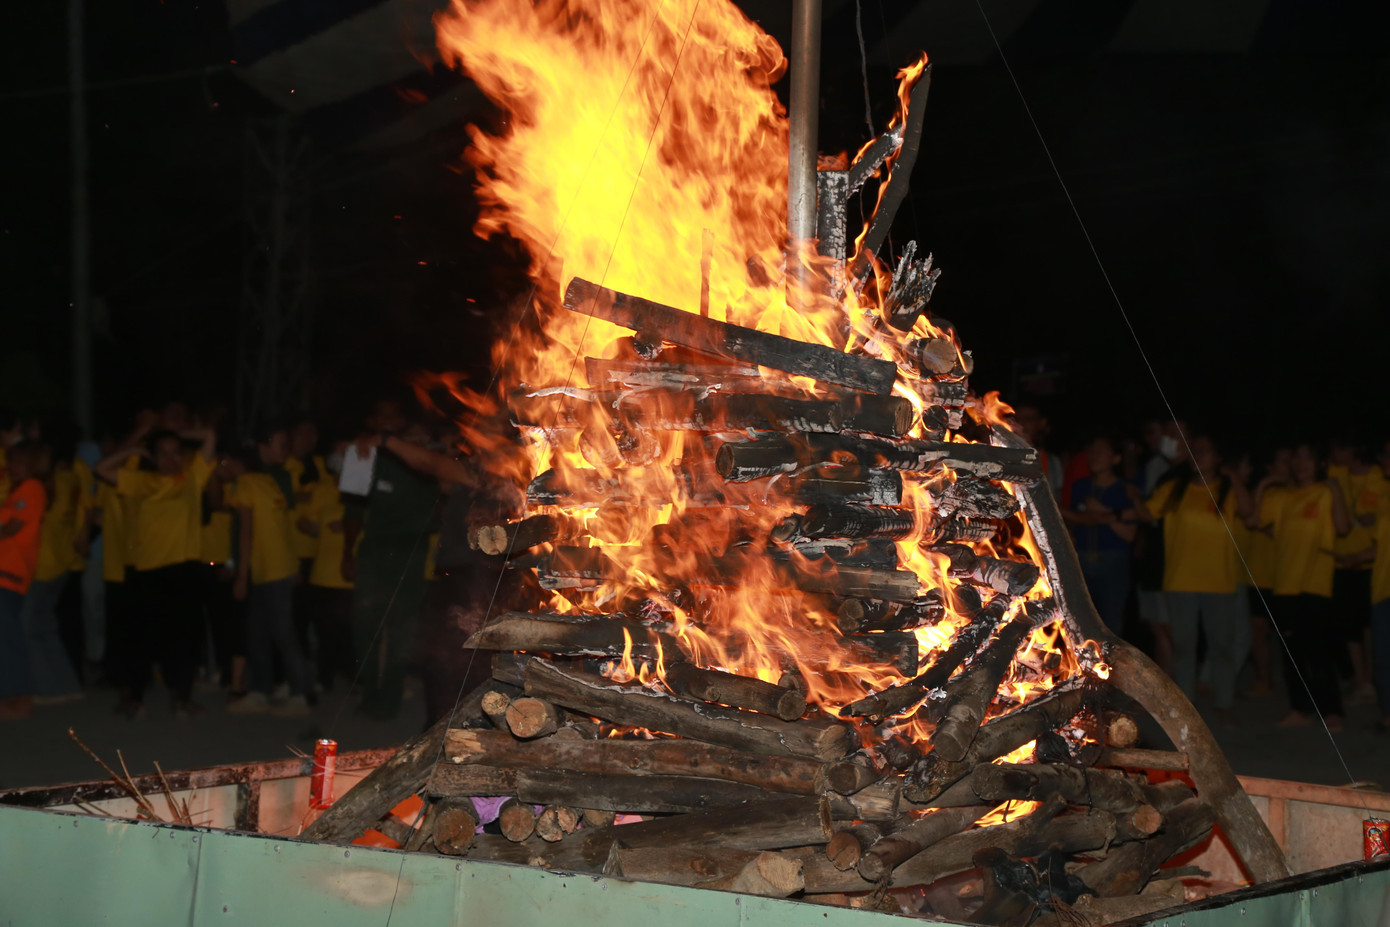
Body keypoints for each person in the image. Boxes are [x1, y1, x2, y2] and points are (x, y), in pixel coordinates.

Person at [95, 423, 217, 718]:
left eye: (176, 454)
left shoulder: (191, 478)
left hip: (183, 569)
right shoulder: (141, 481)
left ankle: (181, 699)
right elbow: (100, 469)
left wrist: (175, 431)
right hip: (147, 572)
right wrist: (134, 449)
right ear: (153, 458)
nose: (171, 460)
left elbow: (209, 435)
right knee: (142, 641)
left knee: (185, 641)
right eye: (163, 454)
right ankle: (136, 699)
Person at [342, 402, 440, 721]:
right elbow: (354, 507)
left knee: (402, 630)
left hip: (410, 551)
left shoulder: (428, 462)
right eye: (381, 416)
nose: (386, 422)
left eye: (393, 416)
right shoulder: (373, 457)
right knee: (364, 624)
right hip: (374, 550)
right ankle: (369, 694)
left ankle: (389, 700)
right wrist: (348, 551)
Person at [1141, 435, 1251, 716]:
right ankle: (1188, 709)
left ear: (1218, 458)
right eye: (1193, 452)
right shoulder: (1174, 489)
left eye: (1204, 451)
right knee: (1184, 647)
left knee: (1221, 647)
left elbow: (1251, 514)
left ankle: (1224, 704)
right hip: (1180, 581)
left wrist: (1235, 477)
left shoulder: (1226, 489)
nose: (1197, 455)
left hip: (1220, 582)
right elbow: (1146, 512)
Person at [226, 426, 313, 716]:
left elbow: (245, 531)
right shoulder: (270, 480)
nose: (285, 450)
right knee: (258, 632)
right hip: (274, 567)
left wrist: (240, 575)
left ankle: (300, 696)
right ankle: (259, 693)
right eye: (280, 444)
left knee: (280, 631)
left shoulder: (251, 482)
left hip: (272, 568)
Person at [1264, 444, 1351, 730]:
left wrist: (1337, 491)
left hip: (1315, 582)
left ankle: (1332, 711)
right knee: (1292, 650)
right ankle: (1300, 708)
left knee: (1318, 649)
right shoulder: (1283, 497)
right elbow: (1254, 520)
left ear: (1318, 462)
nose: (1300, 463)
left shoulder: (1326, 491)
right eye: (1296, 458)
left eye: (1306, 457)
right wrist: (1264, 484)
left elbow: (1342, 527)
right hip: (1285, 584)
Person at [23, 437, 84, 703]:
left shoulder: (40, 486)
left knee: (29, 628)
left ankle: (47, 689)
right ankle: (69, 685)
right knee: (46, 627)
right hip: (61, 563)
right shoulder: (70, 479)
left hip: (41, 566)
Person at [1062, 436, 1138, 638]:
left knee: (1111, 625)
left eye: (1102, 450)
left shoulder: (1125, 489)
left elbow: (1130, 534)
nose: (1094, 456)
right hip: (1080, 560)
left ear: (1116, 458)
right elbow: (1073, 520)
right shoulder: (1080, 486)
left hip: (1113, 561)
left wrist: (1101, 512)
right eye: (1092, 450)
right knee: (1079, 623)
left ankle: (1110, 668)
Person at [295, 445, 356, 692]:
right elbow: (303, 521)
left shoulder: (361, 492)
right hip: (323, 574)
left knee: (350, 632)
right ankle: (324, 678)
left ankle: (353, 677)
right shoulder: (322, 489)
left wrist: (350, 527)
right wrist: (321, 529)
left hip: (350, 574)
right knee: (325, 631)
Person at [0, 441, 50, 719]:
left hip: (9, 575)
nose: (12, 467)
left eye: (18, 461)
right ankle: (14, 698)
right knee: (6, 637)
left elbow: (11, 528)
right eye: (11, 461)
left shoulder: (32, 488)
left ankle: (20, 701)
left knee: (9, 639)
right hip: (6, 575)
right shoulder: (18, 490)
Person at [1329, 439, 1379, 702]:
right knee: (1347, 625)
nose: (1334, 453)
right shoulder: (1336, 473)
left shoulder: (1378, 477)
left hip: (1370, 563)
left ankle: (1372, 678)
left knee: (1370, 626)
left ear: (1354, 451)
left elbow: (1370, 517)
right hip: (1341, 562)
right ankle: (1359, 680)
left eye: (1340, 447)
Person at [1242, 449, 1292, 698]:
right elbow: (1252, 518)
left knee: (1287, 632)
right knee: (1258, 629)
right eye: (1284, 461)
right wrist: (1263, 486)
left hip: (1286, 574)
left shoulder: (1299, 494)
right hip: (1257, 572)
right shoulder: (1267, 493)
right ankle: (1265, 679)